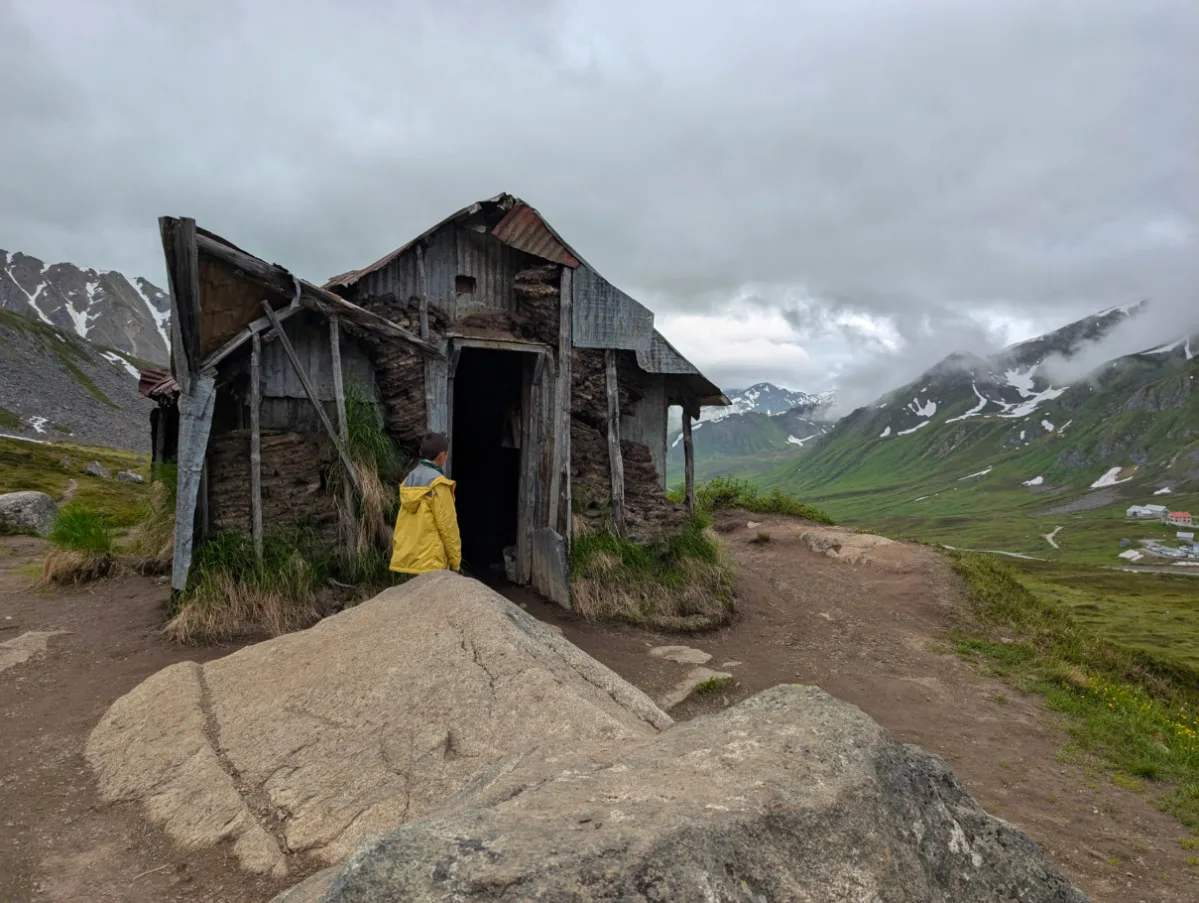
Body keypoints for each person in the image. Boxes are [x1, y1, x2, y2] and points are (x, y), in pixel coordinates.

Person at [389, 432, 462, 575]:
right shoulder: (438, 485)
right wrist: (455, 562)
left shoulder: (409, 480)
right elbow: (448, 526)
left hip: (408, 561)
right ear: (441, 455)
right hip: (430, 562)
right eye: (446, 454)